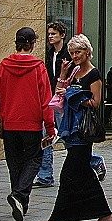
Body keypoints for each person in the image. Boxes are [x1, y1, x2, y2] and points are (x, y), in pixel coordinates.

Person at [33, 34, 112, 221]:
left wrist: (76, 97)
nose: (75, 56)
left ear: (87, 52)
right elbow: (59, 92)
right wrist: (63, 74)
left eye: (78, 52)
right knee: (86, 174)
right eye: (72, 53)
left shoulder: (93, 74)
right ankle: (105, 214)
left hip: (83, 132)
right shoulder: (72, 70)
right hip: (69, 129)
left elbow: (96, 102)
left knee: (68, 175)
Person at [0, 27, 55, 221]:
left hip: (10, 122)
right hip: (32, 123)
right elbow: (46, 100)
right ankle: (19, 196)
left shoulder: (3, 66)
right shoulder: (38, 67)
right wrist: (50, 126)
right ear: (32, 43)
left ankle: (20, 201)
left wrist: (1, 120)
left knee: (15, 163)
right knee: (35, 159)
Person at [35, 22, 71, 188]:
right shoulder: (49, 54)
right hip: (50, 100)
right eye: (49, 34)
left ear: (62, 35)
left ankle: (93, 161)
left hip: (64, 100)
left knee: (67, 136)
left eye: (54, 34)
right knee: (47, 136)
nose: (50, 36)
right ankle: (45, 175)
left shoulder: (68, 54)